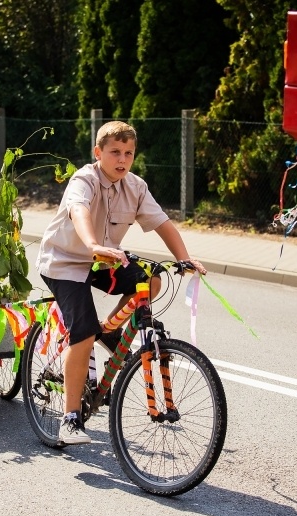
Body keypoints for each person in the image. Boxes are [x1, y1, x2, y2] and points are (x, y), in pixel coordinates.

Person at [36, 121, 207, 445]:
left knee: (152, 279)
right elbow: (79, 211)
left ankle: (111, 330)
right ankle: (70, 419)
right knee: (83, 331)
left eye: (128, 153)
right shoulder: (84, 179)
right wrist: (91, 244)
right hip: (65, 262)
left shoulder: (135, 187)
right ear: (98, 152)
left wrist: (185, 259)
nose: (122, 159)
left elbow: (163, 225)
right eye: (115, 152)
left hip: (105, 258)